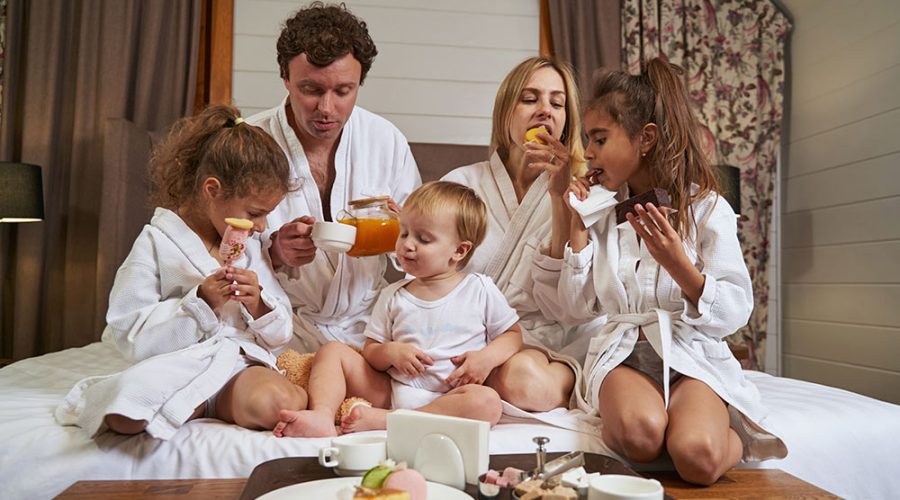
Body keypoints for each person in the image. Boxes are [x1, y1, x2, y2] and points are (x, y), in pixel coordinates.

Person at [531, 58, 786, 484]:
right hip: (625, 355)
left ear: (645, 138)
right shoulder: (600, 214)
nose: (587, 153)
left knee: (699, 458)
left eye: (599, 139)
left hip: (690, 355)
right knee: (641, 437)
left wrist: (679, 265)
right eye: (586, 141)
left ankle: (743, 436)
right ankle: (656, 417)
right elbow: (573, 311)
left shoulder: (707, 208)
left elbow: (735, 313)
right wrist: (575, 218)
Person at [55, 105, 307, 439]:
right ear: (212, 190)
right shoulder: (156, 242)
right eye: (255, 213)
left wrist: (258, 303)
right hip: (177, 362)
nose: (262, 226)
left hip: (237, 366)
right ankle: (199, 401)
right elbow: (128, 330)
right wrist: (200, 302)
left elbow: (281, 331)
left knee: (278, 403)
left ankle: (218, 399)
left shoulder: (252, 245)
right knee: (123, 413)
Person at [273, 181, 521, 437]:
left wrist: (486, 358)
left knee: (488, 403)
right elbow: (371, 351)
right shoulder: (394, 295)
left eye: (423, 239)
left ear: (459, 250)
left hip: (451, 395)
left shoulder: (479, 289)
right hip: (393, 388)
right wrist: (391, 352)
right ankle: (321, 416)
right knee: (332, 351)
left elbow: (512, 335)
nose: (407, 245)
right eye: (403, 233)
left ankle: (390, 420)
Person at [248, 1, 420, 353]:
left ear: (359, 83)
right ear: (286, 78)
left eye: (343, 91)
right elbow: (216, 253)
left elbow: (421, 250)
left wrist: (405, 233)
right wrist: (275, 253)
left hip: (366, 330)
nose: (327, 109)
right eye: (311, 90)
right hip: (277, 328)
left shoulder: (386, 141)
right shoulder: (247, 144)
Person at [442, 57, 604, 413]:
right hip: (471, 339)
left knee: (524, 381)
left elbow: (573, 304)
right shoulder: (461, 185)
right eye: (530, 99)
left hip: (553, 344)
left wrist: (560, 198)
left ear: (566, 121)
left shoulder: (588, 194)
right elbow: (427, 271)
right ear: (506, 112)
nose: (545, 110)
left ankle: (576, 384)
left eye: (557, 103)